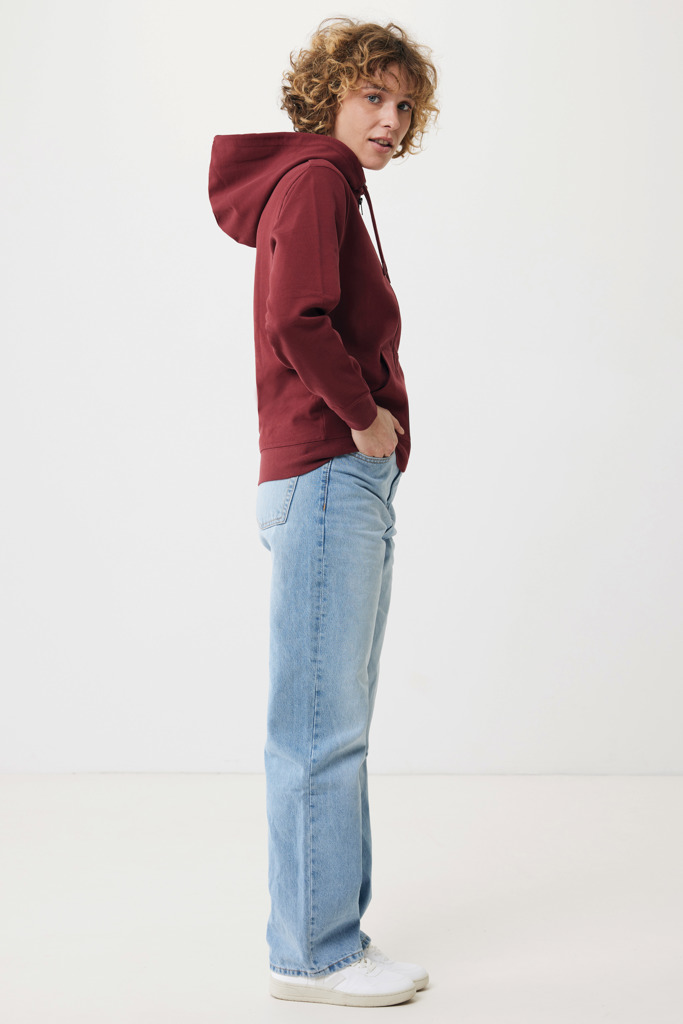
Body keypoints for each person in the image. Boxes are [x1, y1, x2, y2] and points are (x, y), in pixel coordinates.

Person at [209, 17, 439, 1007]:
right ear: (327, 97)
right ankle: (314, 954)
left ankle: (328, 932)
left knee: (330, 719)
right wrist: (365, 418)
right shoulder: (314, 179)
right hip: (328, 470)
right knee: (319, 725)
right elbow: (293, 320)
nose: (389, 120)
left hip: (335, 475)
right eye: (371, 97)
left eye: (403, 105)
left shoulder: (328, 184)